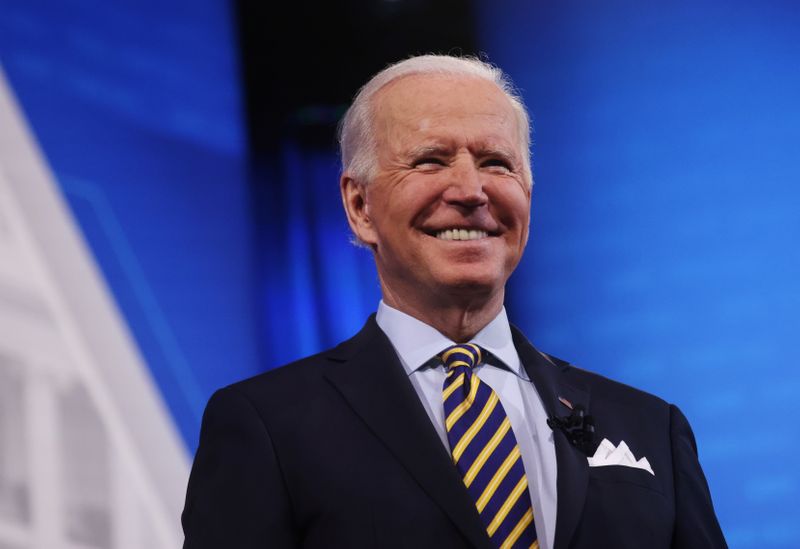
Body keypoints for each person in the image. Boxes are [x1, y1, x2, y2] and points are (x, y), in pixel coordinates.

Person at [182, 54, 727, 549]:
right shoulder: (267, 426)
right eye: (430, 161)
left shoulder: (651, 426)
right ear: (359, 206)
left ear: (527, 196)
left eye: (496, 163)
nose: (471, 190)